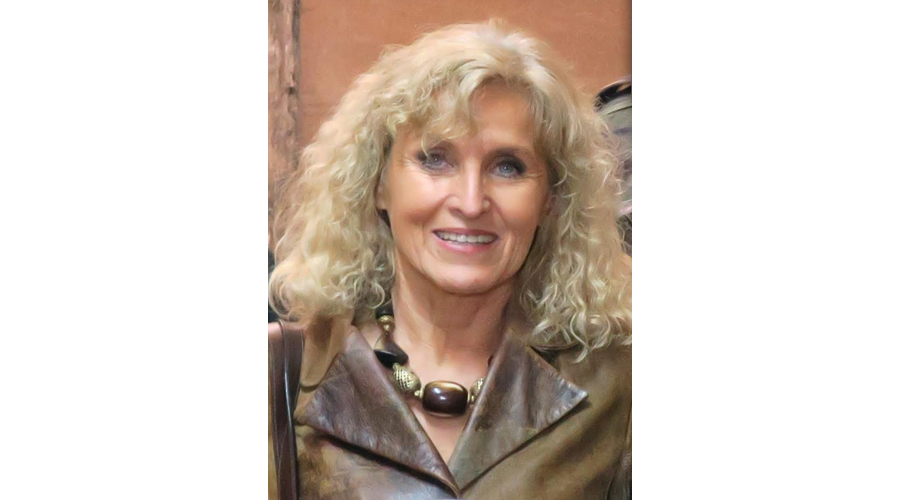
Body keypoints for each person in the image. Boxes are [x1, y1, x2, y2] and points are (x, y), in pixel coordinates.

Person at [268, 21, 631, 499]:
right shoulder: (280, 375)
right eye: (435, 159)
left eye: (508, 166)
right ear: (377, 184)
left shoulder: (621, 389)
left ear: (551, 199)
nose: (471, 201)